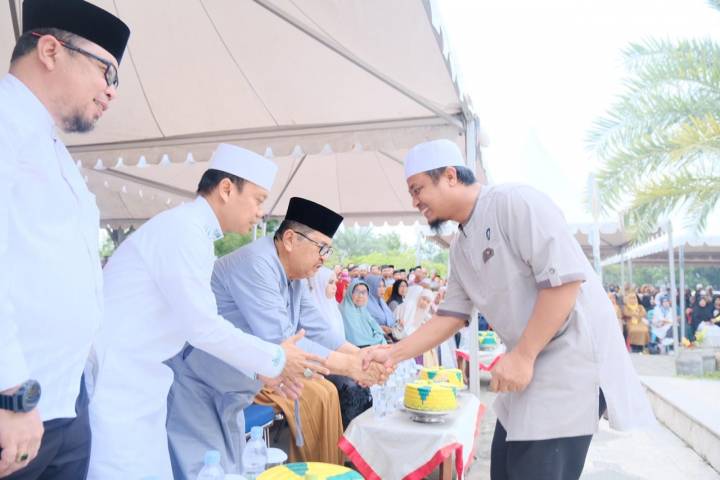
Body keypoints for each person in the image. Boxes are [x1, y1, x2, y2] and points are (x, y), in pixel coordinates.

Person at [363, 139, 655, 480]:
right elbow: (451, 315)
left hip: (568, 363)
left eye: (418, 189)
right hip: (527, 366)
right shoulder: (460, 247)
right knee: (503, 470)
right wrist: (393, 354)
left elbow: (564, 282)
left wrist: (524, 355)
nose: (414, 202)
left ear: (451, 176)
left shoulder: (514, 203)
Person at [86, 145, 326, 480]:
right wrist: (275, 360)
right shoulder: (182, 231)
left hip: (143, 384)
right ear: (227, 189)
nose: (260, 213)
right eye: (258, 199)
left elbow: (196, 325)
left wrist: (263, 371)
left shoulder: (194, 233)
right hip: (119, 383)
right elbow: (203, 328)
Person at [0, 1, 129, 478]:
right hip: (16, 405)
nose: (111, 92)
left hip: (62, 399)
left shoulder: (50, 146)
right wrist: (11, 393)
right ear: (51, 50)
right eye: (106, 72)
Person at [166, 197, 386, 476]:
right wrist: (351, 367)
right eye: (322, 248)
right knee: (201, 470)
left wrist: (362, 356)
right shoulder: (257, 263)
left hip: (233, 388)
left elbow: (319, 329)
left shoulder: (293, 276)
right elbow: (280, 342)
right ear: (291, 239)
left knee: (229, 468)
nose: (323, 258)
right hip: (197, 386)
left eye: (328, 251)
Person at [309, 269, 372, 429]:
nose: (335, 287)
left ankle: (363, 434)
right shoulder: (311, 310)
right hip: (319, 364)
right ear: (318, 283)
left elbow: (339, 341)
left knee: (362, 381)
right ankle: (347, 434)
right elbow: (317, 346)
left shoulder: (334, 307)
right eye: (330, 283)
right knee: (352, 386)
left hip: (339, 358)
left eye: (335, 282)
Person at [340, 280, 388, 348]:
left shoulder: (363, 309)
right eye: (357, 292)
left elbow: (377, 328)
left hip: (372, 345)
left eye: (364, 292)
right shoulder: (345, 311)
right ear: (350, 293)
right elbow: (356, 339)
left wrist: (378, 337)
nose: (360, 296)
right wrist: (376, 340)